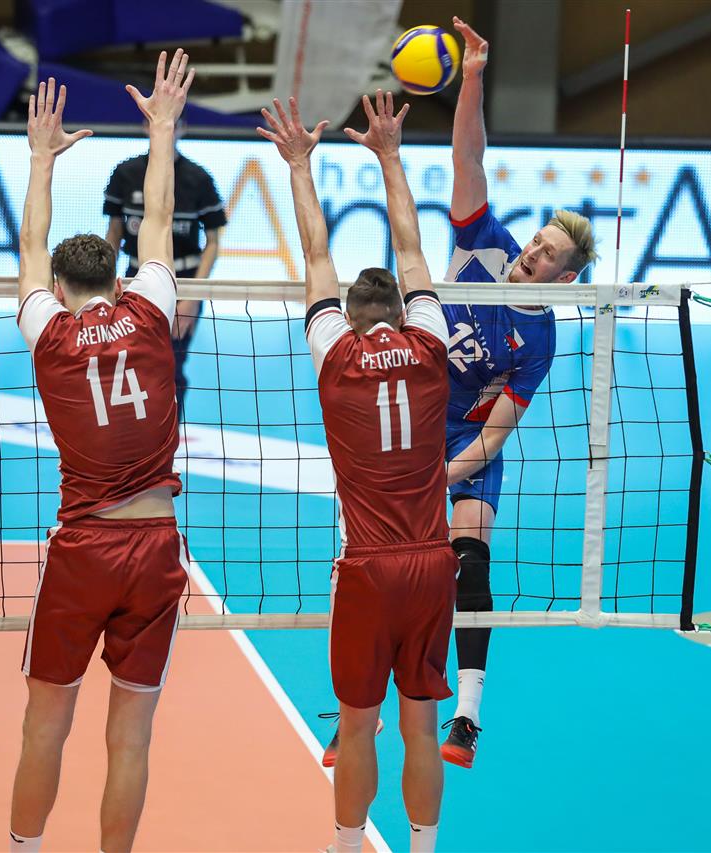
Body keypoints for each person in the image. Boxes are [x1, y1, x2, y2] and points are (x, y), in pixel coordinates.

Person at [260, 92, 457, 853]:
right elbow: (413, 250)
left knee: (356, 723)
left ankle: (346, 847)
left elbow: (316, 257)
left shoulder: (334, 353)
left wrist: (299, 164)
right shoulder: (431, 344)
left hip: (368, 567)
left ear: (348, 314)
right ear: (405, 312)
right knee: (421, 726)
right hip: (433, 561)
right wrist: (390, 157)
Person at [7, 57, 192, 853]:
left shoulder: (47, 332)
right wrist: (162, 129)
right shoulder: (150, 311)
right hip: (155, 547)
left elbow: (29, 242)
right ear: (118, 282)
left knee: (45, 724)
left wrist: (41, 158)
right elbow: (159, 217)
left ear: (58, 287)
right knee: (131, 736)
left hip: (84, 546)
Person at [439, 16, 597, 769]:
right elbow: (468, 156)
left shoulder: (540, 341)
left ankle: (467, 717)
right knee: (383, 565)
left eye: (549, 254)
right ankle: (357, 703)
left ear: (567, 278)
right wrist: (472, 78)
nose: (533, 252)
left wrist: (441, 476)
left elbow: (496, 435)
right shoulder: (483, 242)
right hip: (411, 414)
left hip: (468, 441)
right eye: (538, 240)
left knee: (470, 560)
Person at [103, 116, 226, 417]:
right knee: (127, 361)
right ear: (145, 126)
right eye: (158, 123)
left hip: (183, 282)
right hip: (135, 279)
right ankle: (134, 430)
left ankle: (169, 435)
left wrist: (192, 297)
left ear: (183, 129)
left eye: (174, 124)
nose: (167, 130)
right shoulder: (125, 173)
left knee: (172, 364)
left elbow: (213, 242)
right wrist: (103, 283)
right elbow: (114, 233)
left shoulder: (198, 178)